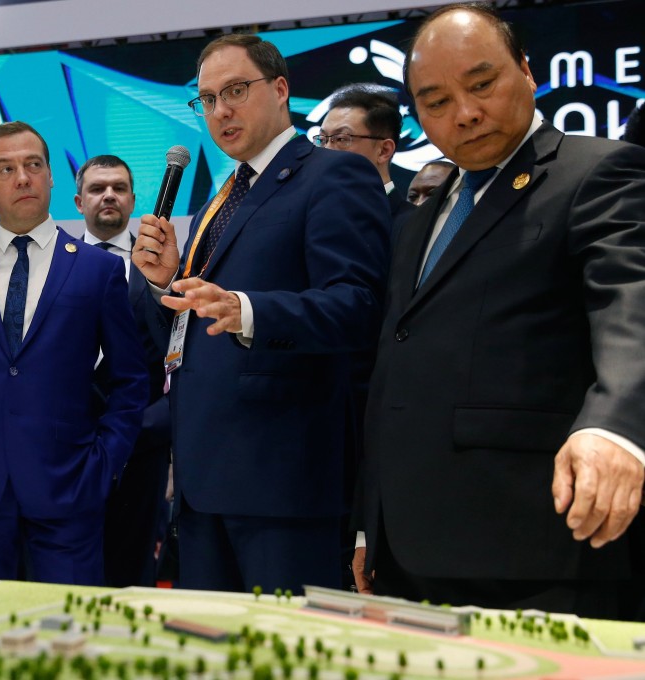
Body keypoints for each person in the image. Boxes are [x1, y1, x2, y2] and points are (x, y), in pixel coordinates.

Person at [355, 3, 645, 619]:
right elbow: (395, 370)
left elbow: (633, 302)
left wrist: (616, 426)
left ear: (528, 72)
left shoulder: (595, 172)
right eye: (436, 102)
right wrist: (369, 520)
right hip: (410, 552)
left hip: (534, 549)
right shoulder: (420, 222)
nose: (465, 112)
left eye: (482, 84)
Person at [134, 34, 389, 593]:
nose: (220, 110)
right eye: (206, 98)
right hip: (203, 478)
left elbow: (357, 306)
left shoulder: (334, 174)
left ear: (279, 90)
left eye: (235, 90)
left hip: (281, 481)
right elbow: (200, 321)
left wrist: (248, 311)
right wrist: (167, 285)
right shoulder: (223, 195)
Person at [0, 122, 148, 586]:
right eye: (6, 168)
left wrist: (105, 462)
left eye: (33, 165)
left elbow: (131, 381)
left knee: (67, 636)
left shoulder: (98, 270)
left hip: (70, 489)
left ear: (50, 177)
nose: (22, 177)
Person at [73, 155, 170, 587]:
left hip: (141, 449)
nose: (108, 195)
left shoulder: (164, 267)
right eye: (97, 188)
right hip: (65, 451)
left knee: (132, 578)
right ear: (79, 202)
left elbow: (176, 350)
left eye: (118, 188)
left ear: (133, 200)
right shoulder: (53, 264)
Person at [317, 83, 412, 223]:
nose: (327, 150)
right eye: (323, 140)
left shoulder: (413, 225)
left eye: (342, 139)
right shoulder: (315, 219)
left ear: (384, 151)